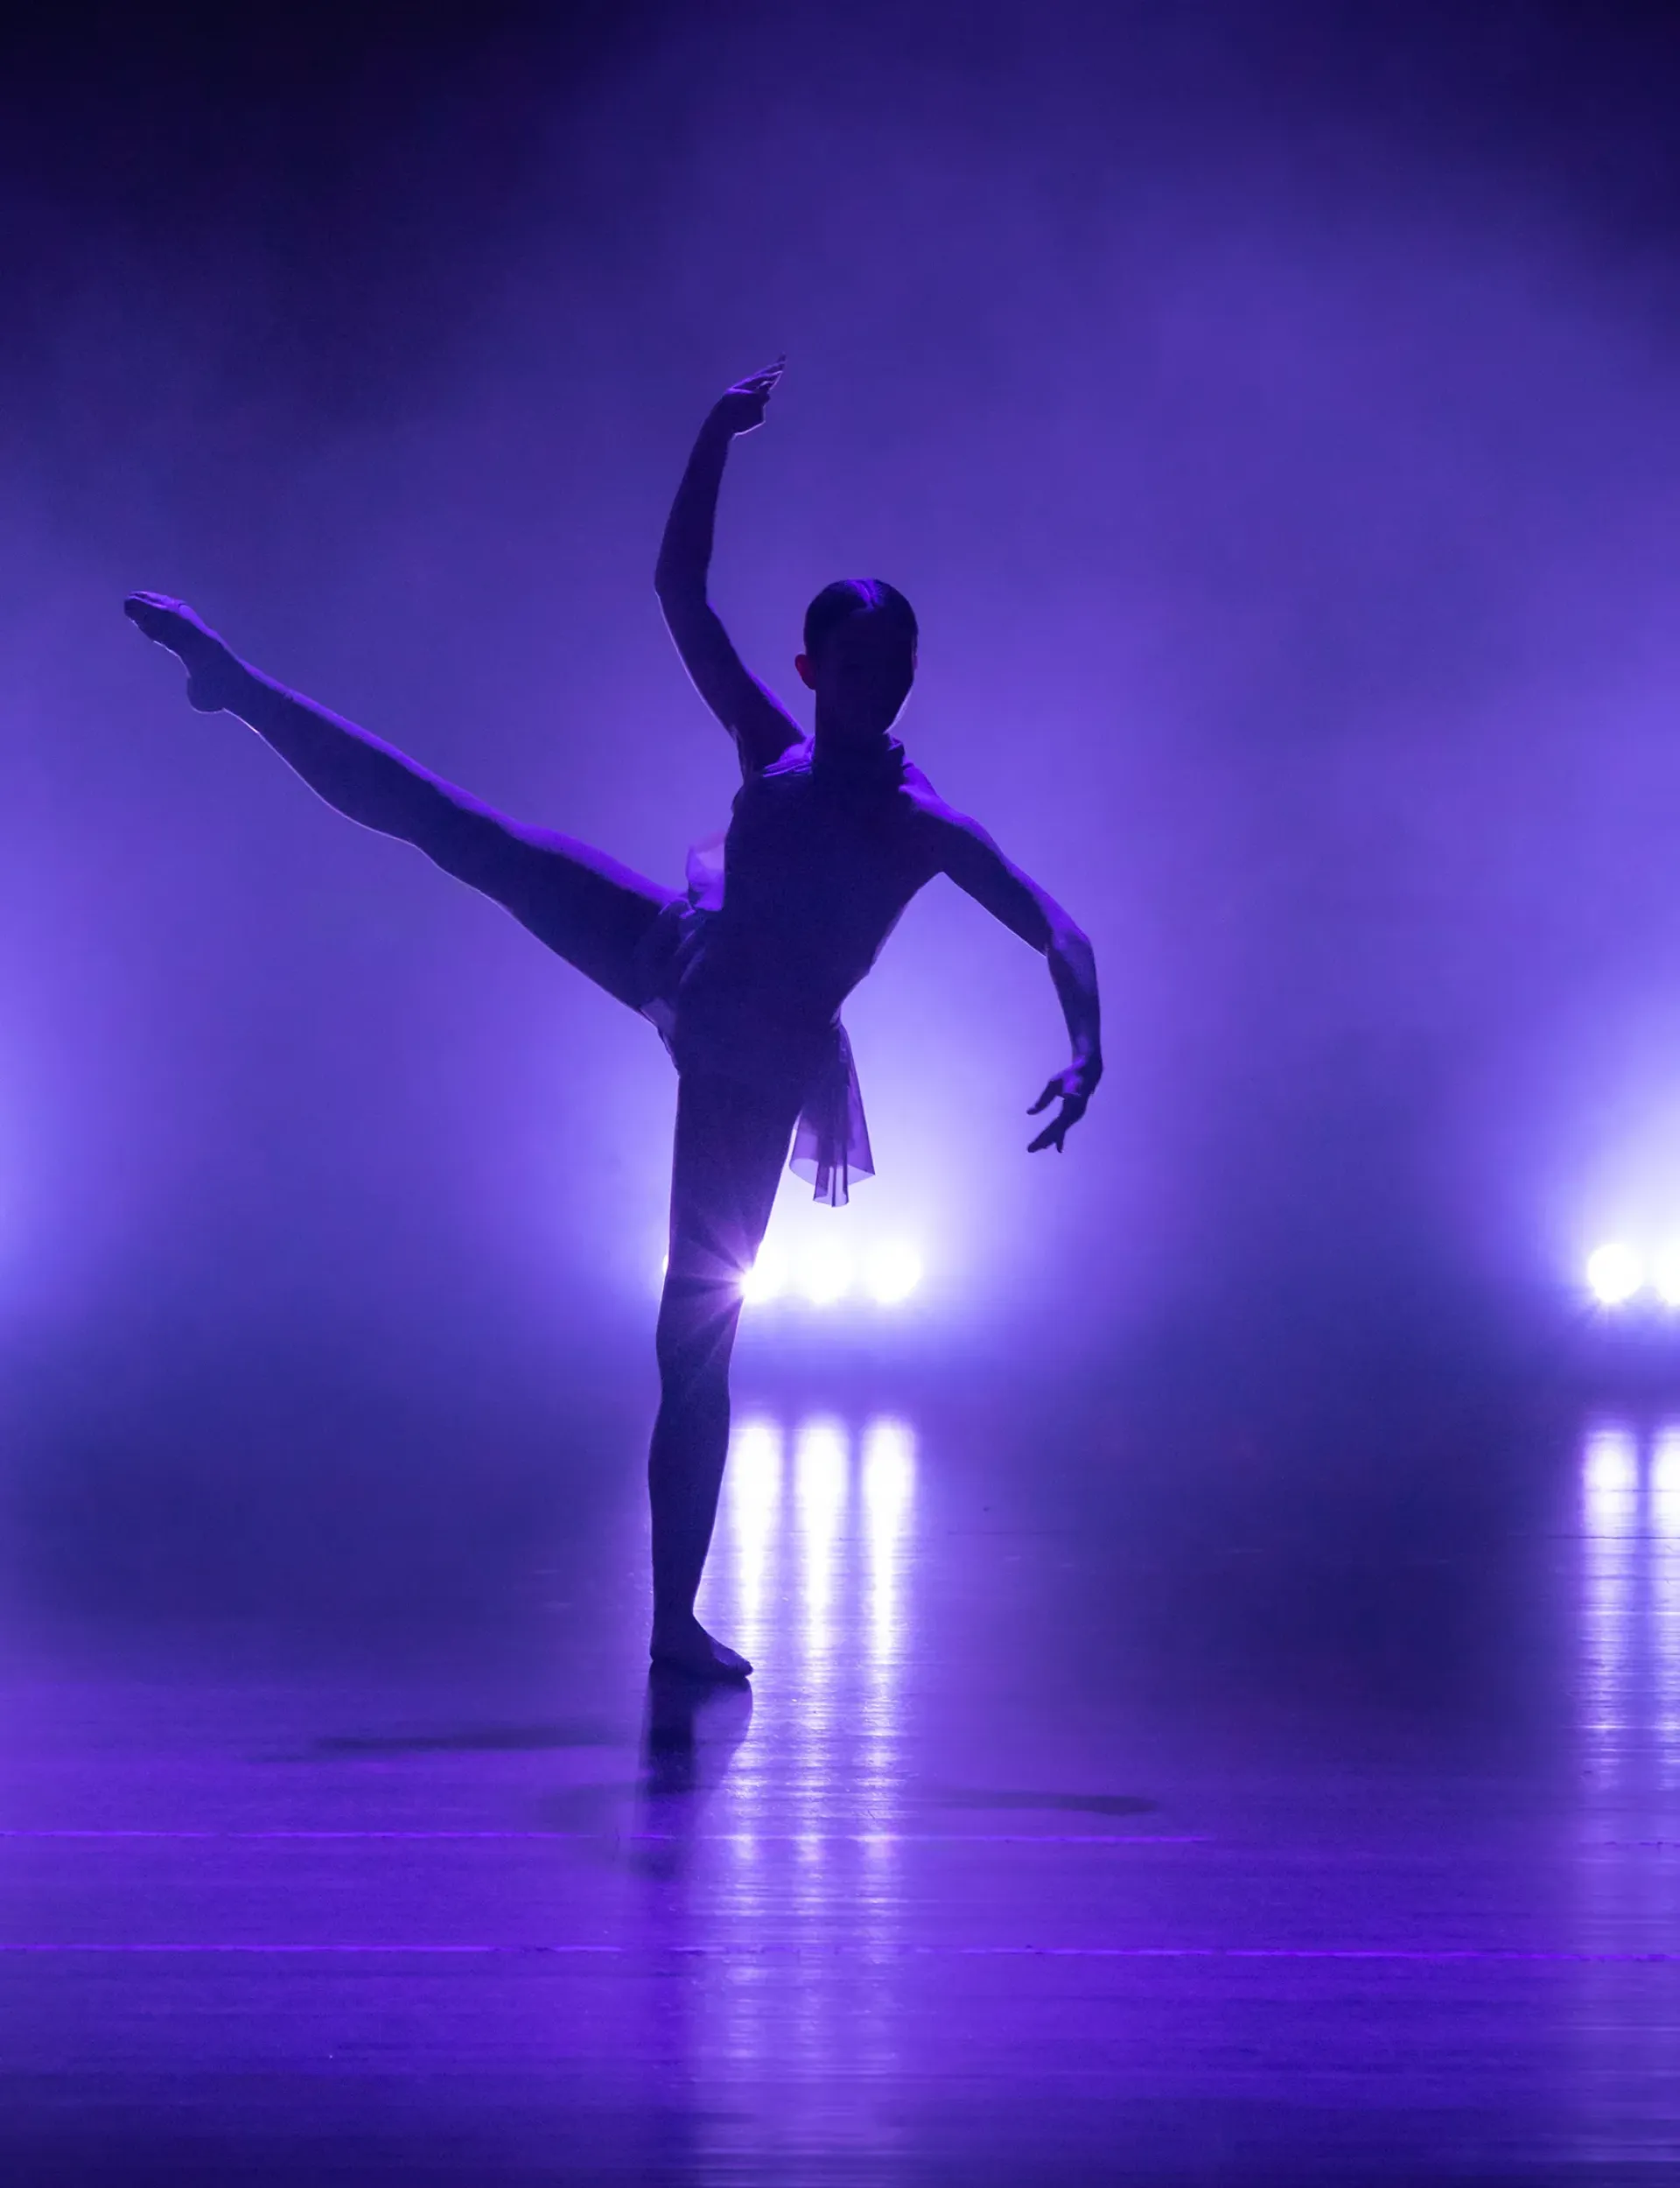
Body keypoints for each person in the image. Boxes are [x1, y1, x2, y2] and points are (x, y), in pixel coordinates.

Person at [123, 361, 1102, 1680]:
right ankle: (236, 685)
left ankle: (669, 1622)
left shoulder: (917, 821)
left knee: (691, 1342)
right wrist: (715, 435)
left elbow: (1056, 924)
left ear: (910, 678)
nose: (873, 687)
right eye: (853, 667)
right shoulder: (776, 747)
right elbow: (679, 592)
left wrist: (1086, 1046)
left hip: (755, 1065)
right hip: (679, 955)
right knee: (464, 833)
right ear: (814, 670)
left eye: (893, 670)